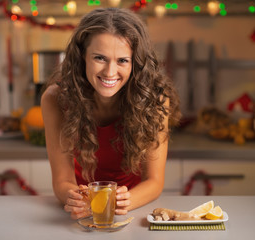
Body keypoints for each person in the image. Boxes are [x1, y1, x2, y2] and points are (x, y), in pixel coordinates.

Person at [41, 7, 181, 220]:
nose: (109, 72)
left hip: (133, 208)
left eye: (122, 60)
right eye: (100, 58)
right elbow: (62, 180)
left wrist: (123, 202)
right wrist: (74, 198)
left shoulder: (155, 100)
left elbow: (154, 181)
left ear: (136, 63)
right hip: (82, 210)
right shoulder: (55, 99)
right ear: (82, 57)